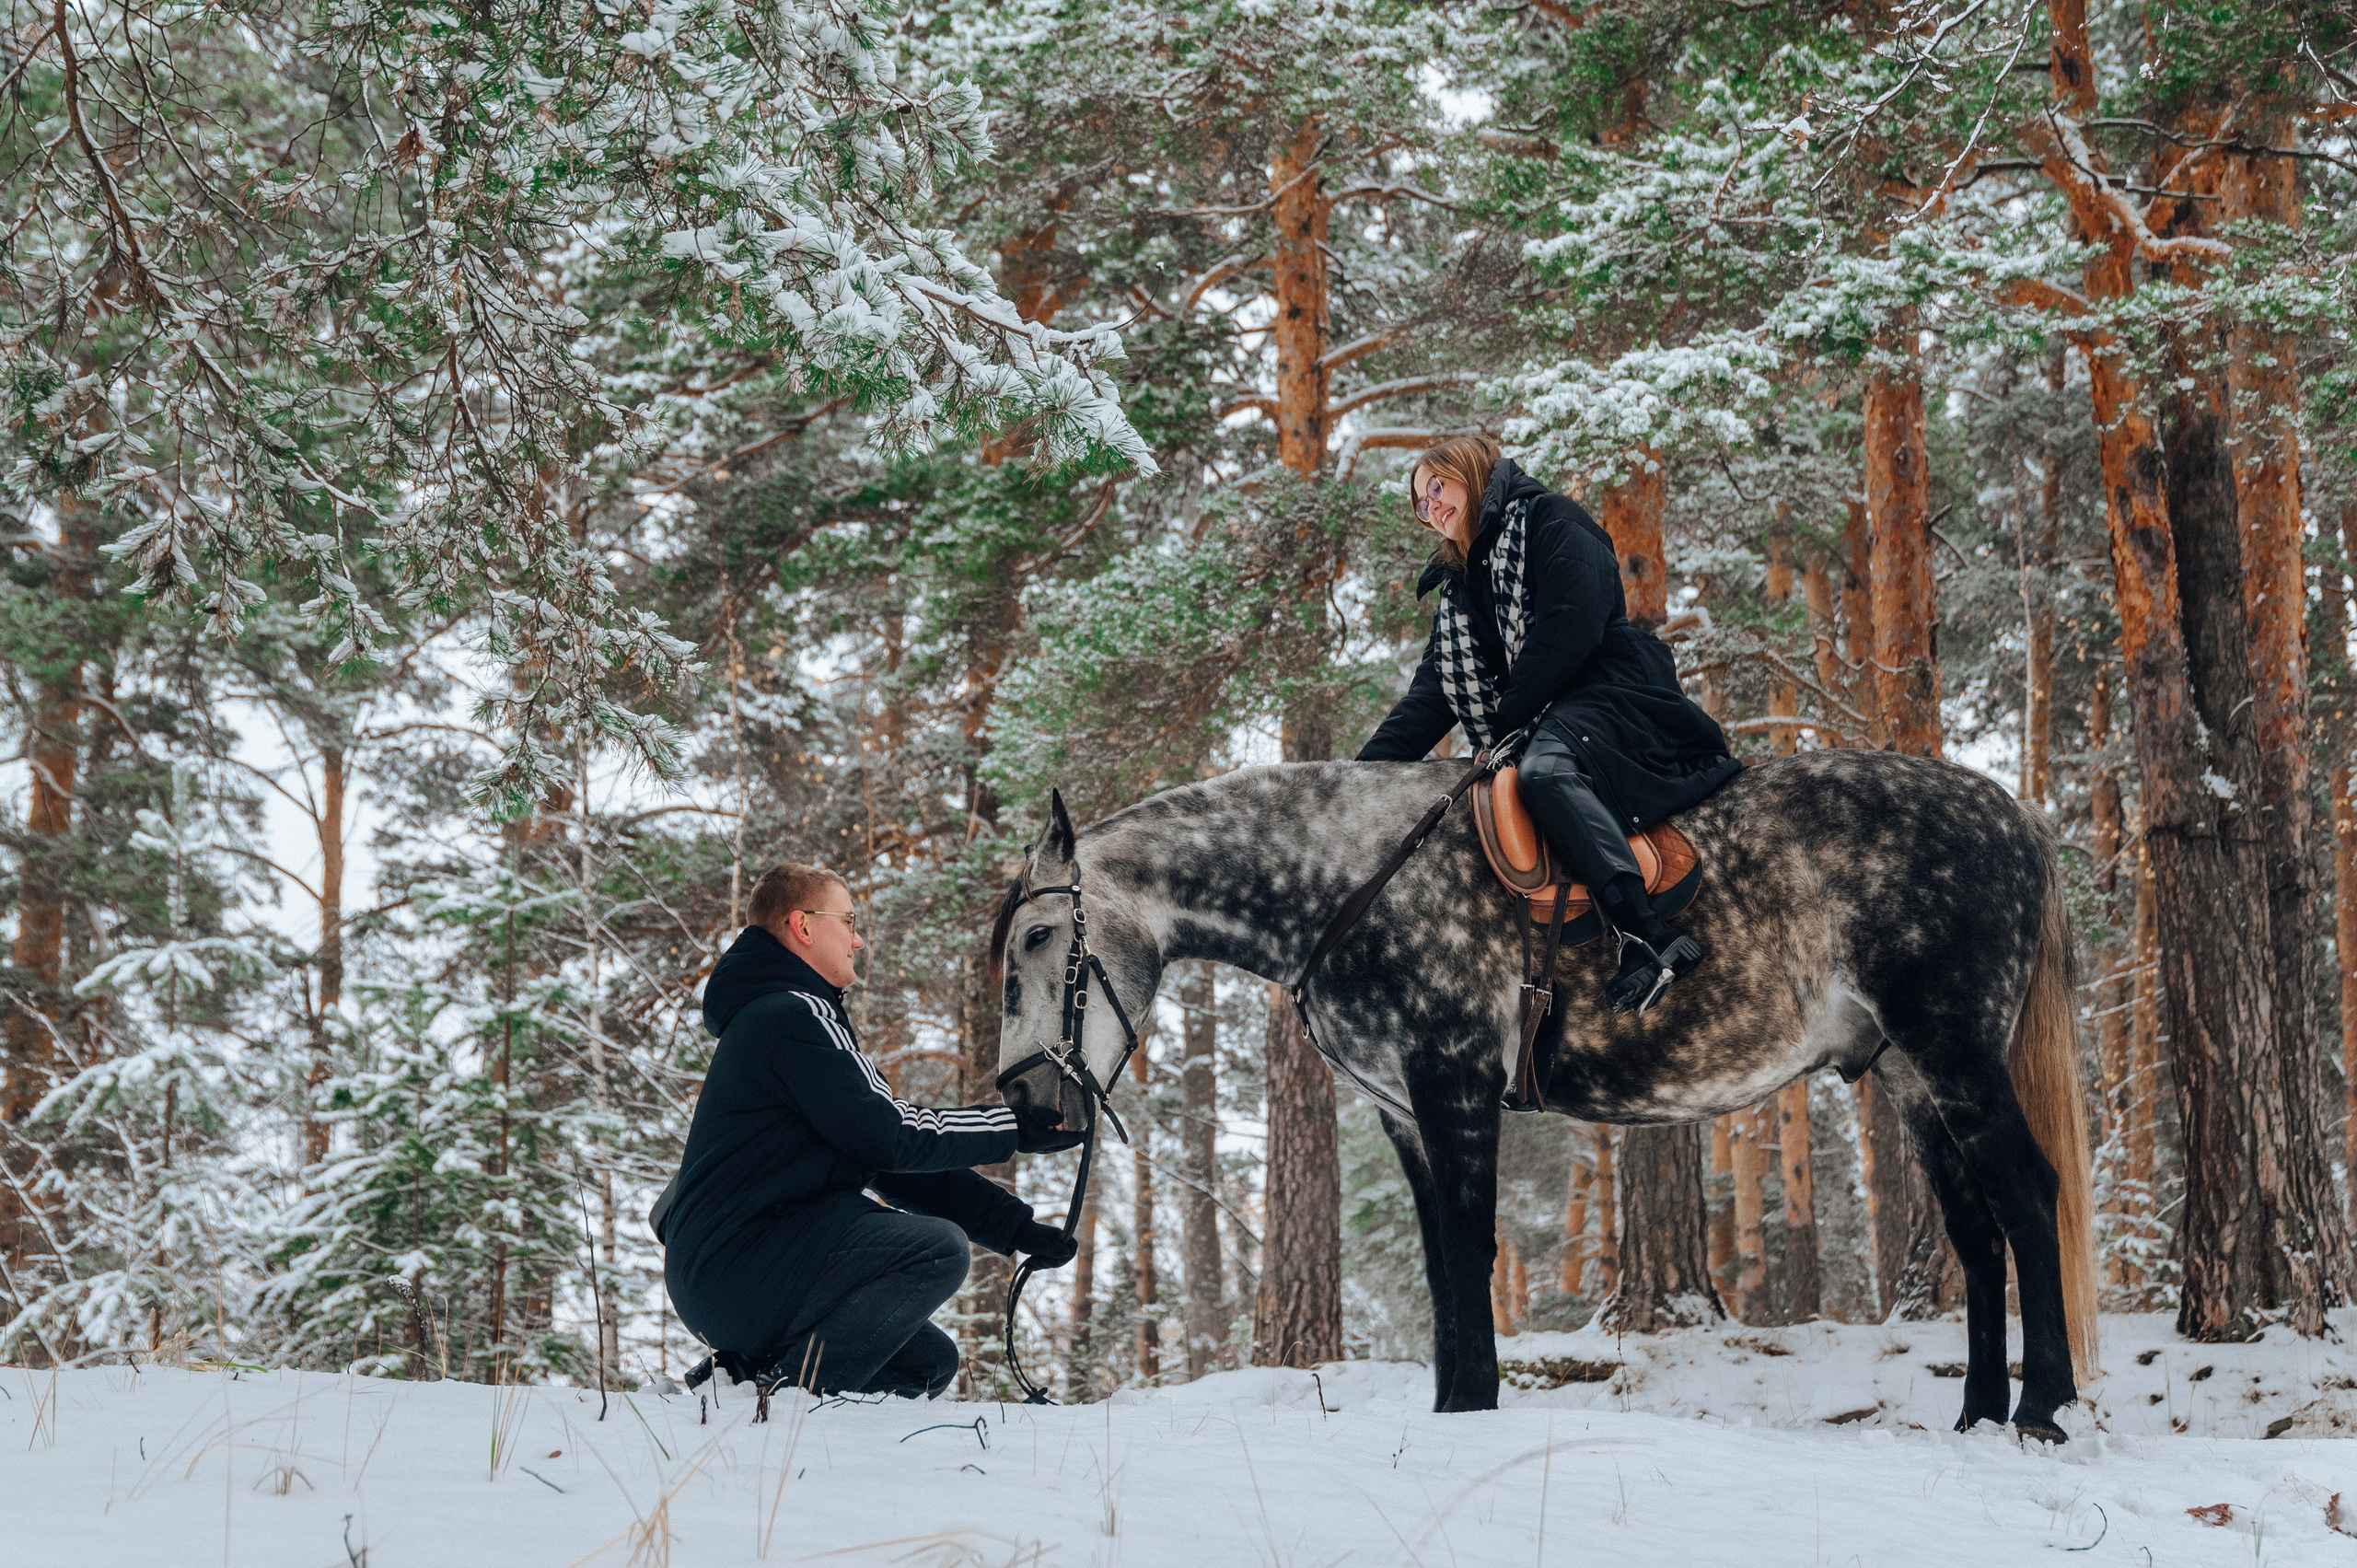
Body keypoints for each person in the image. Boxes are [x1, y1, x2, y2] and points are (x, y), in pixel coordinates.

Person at [656, 863, 1071, 1399]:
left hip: (736, 1273)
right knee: (935, 1249)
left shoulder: (784, 1017)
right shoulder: (792, 1015)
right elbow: (891, 1134)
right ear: (802, 926)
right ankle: (776, 1401)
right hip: (739, 1265)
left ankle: (737, 1377)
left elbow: (886, 1162)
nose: (858, 938)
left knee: (925, 1363)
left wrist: (1015, 1228)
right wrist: (1010, 1126)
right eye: (847, 920)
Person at [1359, 436, 1742, 1014]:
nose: (1430, 507)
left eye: (1436, 487)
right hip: (1545, 714)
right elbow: (1429, 697)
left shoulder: (1552, 519)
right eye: (1419, 503)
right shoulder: (1459, 592)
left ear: (1470, 471)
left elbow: (1572, 625)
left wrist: (1511, 720)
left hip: (1614, 693)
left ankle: (1647, 937)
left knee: (1542, 770)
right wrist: (1354, 779)